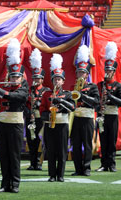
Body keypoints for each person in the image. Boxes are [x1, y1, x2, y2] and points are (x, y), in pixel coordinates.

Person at [0, 38, 28, 193]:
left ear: (21, 77)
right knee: (3, 154)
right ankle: (5, 183)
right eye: (12, 77)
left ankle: (15, 183)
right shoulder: (6, 87)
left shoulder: (23, 90)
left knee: (14, 155)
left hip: (15, 124)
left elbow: (11, 97)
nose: (14, 79)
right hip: (3, 124)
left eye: (16, 77)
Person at [39, 54, 75, 182]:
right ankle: (52, 175)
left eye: (59, 79)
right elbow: (41, 110)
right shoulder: (47, 94)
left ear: (63, 81)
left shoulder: (67, 94)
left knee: (62, 150)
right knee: (51, 150)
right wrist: (48, 115)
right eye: (55, 79)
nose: (57, 81)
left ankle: (61, 175)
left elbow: (72, 107)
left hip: (62, 124)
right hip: (50, 124)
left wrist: (60, 102)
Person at [95, 42, 121, 172]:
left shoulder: (118, 86)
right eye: (106, 70)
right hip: (102, 116)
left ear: (113, 71)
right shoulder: (100, 84)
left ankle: (111, 164)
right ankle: (103, 164)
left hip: (112, 115)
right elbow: (96, 101)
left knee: (111, 141)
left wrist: (110, 97)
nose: (107, 72)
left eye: (109, 70)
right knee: (103, 140)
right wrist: (98, 107)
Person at [71, 45, 100, 176]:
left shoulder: (93, 87)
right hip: (76, 118)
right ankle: (77, 168)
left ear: (87, 74)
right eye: (78, 72)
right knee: (76, 144)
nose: (80, 74)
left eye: (83, 72)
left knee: (87, 144)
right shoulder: (73, 87)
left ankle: (87, 168)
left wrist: (83, 96)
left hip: (88, 117)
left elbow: (96, 102)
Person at [25, 48, 49, 171]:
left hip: (41, 119)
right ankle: (32, 162)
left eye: (38, 78)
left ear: (42, 79)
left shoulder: (46, 91)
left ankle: (39, 162)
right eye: (34, 78)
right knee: (31, 141)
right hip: (30, 118)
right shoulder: (28, 90)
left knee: (40, 141)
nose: (36, 80)